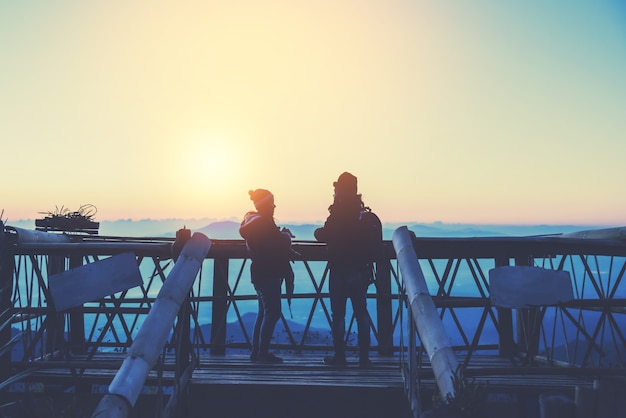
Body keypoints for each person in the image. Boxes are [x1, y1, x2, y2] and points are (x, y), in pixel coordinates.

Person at [314, 172, 381, 368]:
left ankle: (340, 357)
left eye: (336, 189)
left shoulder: (338, 212)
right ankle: (364, 359)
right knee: (361, 313)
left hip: (339, 268)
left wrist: (317, 232)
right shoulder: (363, 215)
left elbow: (324, 234)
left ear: (341, 190)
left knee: (339, 315)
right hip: (360, 269)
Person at [239, 189, 294, 364]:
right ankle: (262, 353)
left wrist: (280, 235)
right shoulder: (265, 224)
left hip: (258, 272)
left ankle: (256, 351)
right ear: (265, 204)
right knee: (273, 313)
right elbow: (277, 243)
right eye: (271, 202)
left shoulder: (252, 222)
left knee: (263, 313)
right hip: (270, 272)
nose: (274, 206)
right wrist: (285, 235)